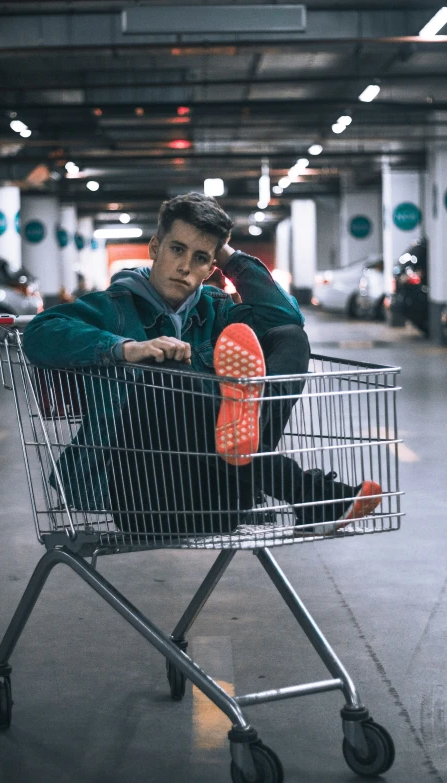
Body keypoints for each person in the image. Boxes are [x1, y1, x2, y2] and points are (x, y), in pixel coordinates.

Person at [23, 192, 381, 538]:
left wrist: (227, 256)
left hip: (220, 498)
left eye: (199, 258)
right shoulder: (114, 307)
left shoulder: (217, 308)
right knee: (168, 371)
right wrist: (126, 348)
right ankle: (306, 493)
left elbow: (285, 317)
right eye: (177, 249)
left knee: (288, 337)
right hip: (145, 498)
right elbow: (40, 332)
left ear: (211, 267)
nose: (184, 267)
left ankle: (247, 433)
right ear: (154, 248)